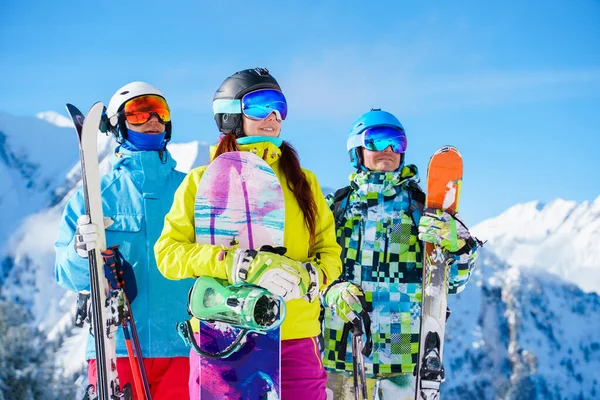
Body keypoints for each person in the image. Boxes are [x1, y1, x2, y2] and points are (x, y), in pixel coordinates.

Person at [154, 67, 342, 400]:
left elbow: (330, 254)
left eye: (279, 107)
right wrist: (234, 263)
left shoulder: (305, 183)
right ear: (230, 115)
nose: (272, 116)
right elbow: (168, 254)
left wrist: (309, 277)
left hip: (295, 336)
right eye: (259, 105)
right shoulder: (202, 181)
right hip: (224, 334)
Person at [321, 109, 481, 399]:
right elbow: (313, 269)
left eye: (397, 142)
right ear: (356, 150)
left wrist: (458, 248)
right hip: (341, 357)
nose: (389, 150)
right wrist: (331, 291)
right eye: (376, 141)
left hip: (402, 364)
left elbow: (451, 284)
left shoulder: (422, 210)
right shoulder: (334, 210)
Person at [55, 82, 193, 399]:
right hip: (115, 349)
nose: (152, 119)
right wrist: (79, 251)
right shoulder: (94, 195)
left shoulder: (191, 192)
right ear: (118, 125)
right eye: (139, 113)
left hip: (184, 346)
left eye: (159, 112)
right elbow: (67, 275)